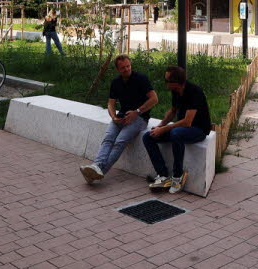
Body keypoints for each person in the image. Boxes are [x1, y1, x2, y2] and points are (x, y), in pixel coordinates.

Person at [80, 55, 158, 183]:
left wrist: (137, 112)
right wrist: (114, 117)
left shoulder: (141, 79)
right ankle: (96, 167)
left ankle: (97, 170)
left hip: (140, 118)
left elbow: (154, 99)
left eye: (128, 66)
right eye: (123, 68)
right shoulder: (116, 82)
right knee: (108, 138)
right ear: (117, 69)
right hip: (121, 117)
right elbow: (110, 104)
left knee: (119, 141)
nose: (126, 69)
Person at [143, 65, 211, 194]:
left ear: (176, 82)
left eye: (167, 80)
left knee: (176, 133)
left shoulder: (194, 91)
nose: (165, 83)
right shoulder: (175, 91)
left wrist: (164, 129)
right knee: (148, 136)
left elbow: (187, 122)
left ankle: (177, 176)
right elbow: (173, 111)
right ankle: (163, 175)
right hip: (182, 129)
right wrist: (160, 126)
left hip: (198, 130)